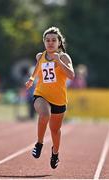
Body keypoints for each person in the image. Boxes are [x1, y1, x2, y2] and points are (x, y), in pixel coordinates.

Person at [25, 27, 75, 169]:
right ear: (44, 42)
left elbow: (71, 75)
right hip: (41, 94)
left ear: (59, 43)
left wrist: (58, 61)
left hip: (59, 99)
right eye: (47, 40)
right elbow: (37, 68)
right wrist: (31, 78)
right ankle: (39, 143)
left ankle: (55, 153)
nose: (50, 43)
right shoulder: (40, 56)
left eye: (54, 40)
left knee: (55, 130)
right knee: (44, 114)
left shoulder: (64, 57)